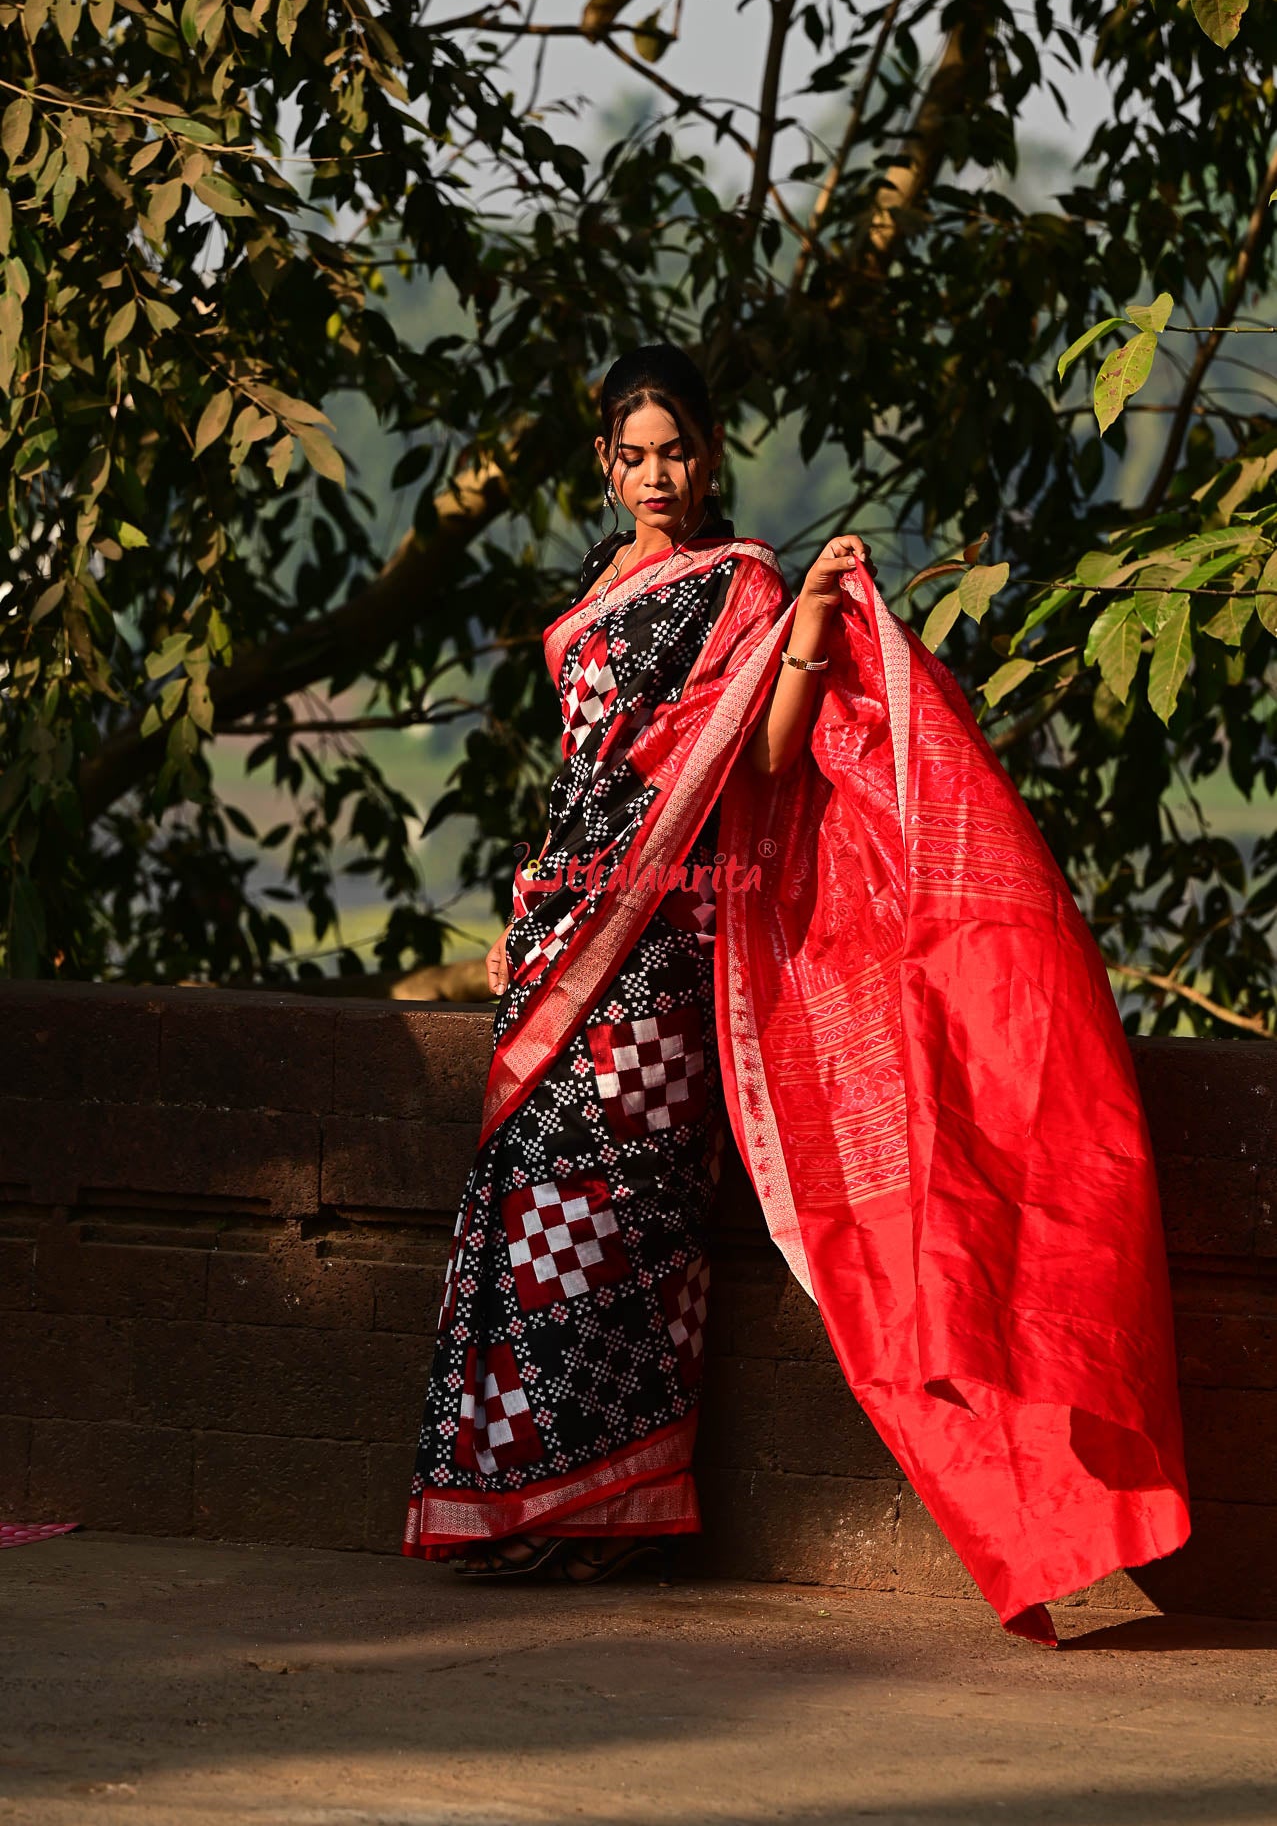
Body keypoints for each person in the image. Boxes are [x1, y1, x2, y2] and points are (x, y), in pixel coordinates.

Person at [402, 343, 1191, 1639]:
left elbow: (760, 755)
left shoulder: (740, 582)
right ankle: (519, 1499)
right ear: (606, 468)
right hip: (563, 927)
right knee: (526, 1204)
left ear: (708, 454)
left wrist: (813, 627)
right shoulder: (599, 589)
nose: (657, 474)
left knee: (618, 1222)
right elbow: (588, 770)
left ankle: (608, 1514)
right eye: (634, 455)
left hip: (659, 940)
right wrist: (528, 901)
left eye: (676, 451)